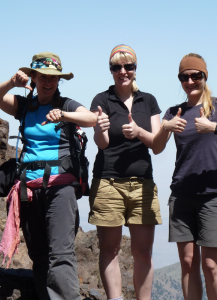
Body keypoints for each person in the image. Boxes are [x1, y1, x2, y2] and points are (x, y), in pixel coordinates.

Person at [0, 52, 96, 300]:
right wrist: (10, 82)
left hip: (61, 187)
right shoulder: (26, 106)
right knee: (39, 255)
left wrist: (65, 116)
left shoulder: (67, 104)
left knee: (60, 254)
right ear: (34, 77)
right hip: (28, 187)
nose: (49, 82)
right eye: (43, 77)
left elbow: (91, 118)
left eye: (54, 78)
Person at [88, 45, 162, 300]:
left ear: (135, 69)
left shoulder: (148, 100)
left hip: (142, 183)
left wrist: (139, 132)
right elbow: (102, 143)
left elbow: (157, 143)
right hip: (108, 181)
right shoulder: (101, 100)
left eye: (128, 66)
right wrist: (100, 128)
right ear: (110, 71)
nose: (123, 72)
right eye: (116, 67)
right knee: (110, 249)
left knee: (143, 253)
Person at [153, 53, 217, 300]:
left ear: (204, 76)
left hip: (212, 196)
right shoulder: (173, 112)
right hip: (181, 195)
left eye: (195, 76)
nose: (190, 81)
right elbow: (157, 148)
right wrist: (164, 128)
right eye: (184, 77)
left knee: (211, 266)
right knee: (188, 263)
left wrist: (212, 127)